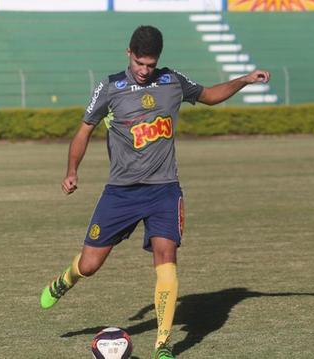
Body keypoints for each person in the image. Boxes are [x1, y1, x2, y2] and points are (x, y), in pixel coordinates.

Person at [40, 25, 270, 359]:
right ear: (128, 54)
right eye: (140, 64)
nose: (145, 71)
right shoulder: (110, 87)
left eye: (151, 64)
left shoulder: (172, 81)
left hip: (164, 190)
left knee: (166, 258)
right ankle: (66, 279)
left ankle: (162, 345)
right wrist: (72, 171)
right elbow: (84, 130)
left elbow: (209, 96)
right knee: (90, 265)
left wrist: (244, 80)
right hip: (121, 192)